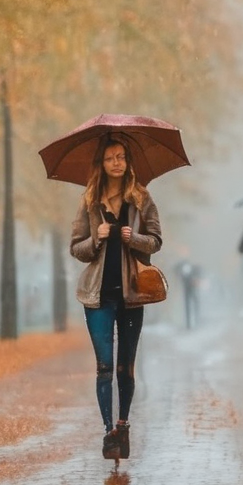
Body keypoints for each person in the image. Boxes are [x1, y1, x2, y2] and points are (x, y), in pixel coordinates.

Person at [70, 136, 162, 461]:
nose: (116, 162)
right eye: (110, 158)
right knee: (104, 367)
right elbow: (76, 248)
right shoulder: (89, 201)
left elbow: (156, 241)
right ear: (102, 163)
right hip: (97, 296)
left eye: (121, 156)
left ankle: (124, 423)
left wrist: (132, 237)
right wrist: (97, 238)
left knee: (126, 367)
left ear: (127, 161)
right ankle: (108, 431)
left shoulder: (142, 199)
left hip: (132, 294)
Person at [176, 258, 202, 330]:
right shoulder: (188, 268)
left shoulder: (191, 268)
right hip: (189, 288)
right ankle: (190, 323)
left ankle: (194, 322)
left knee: (192, 305)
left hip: (190, 288)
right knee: (191, 305)